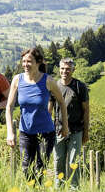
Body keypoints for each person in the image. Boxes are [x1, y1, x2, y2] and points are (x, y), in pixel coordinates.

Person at [5, 47, 69, 180]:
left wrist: (65, 126)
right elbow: (9, 107)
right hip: (25, 132)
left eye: (29, 61)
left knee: (40, 169)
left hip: (45, 133)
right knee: (26, 168)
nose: (25, 65)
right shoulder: (17, 80)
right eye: (23, 61)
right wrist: (10, 132)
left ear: (38, 62)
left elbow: (62, 102)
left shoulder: (48, 81)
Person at [49, 57, 89, 187]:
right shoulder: (54, 86)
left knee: (73, 163)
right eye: (62, 69)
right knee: (58, 162)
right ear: (59, 69)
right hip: (58, 130)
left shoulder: (80, 87)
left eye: (67, 69)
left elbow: (86, 111)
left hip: (76, 130)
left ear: (73, 70)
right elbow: (49, 109)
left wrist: (86, 132)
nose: (64, 72)